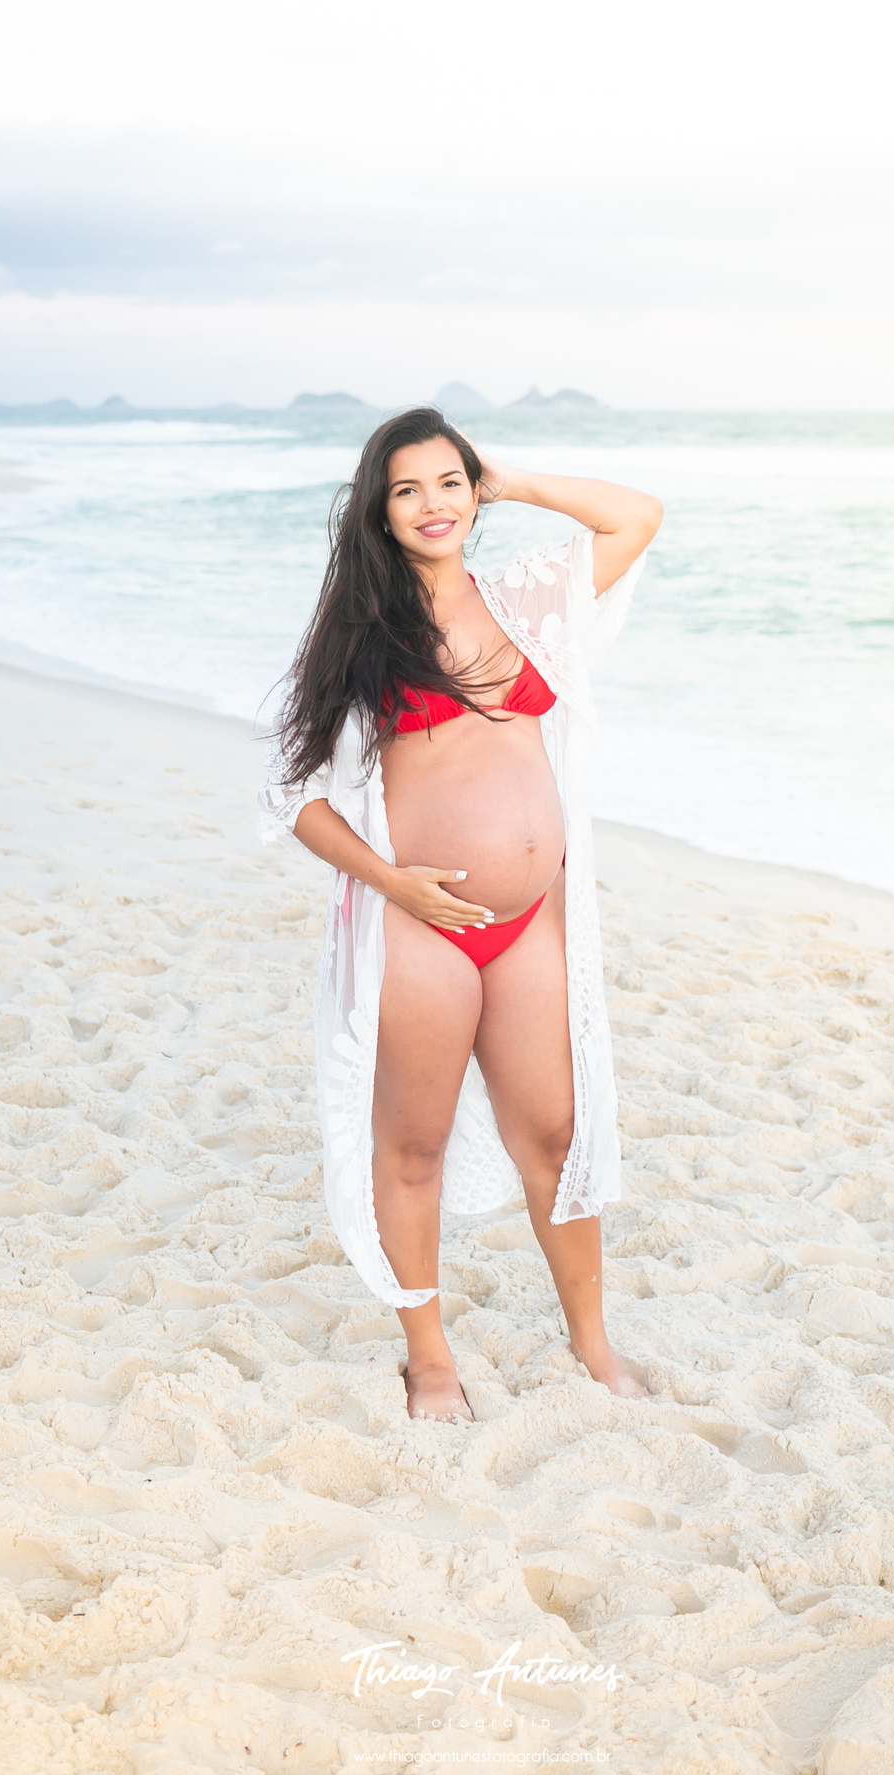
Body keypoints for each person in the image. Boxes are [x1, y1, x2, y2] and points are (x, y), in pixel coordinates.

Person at [259, 407, 663, 1422]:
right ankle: (430, 1360)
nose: (432, 505)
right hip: (420, 925)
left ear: (473, 491)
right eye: (407, 490)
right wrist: (391, 883)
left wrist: (510, 479)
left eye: (449, 483)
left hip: (531, 922)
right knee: (413, 1147)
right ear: (379, 511)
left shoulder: (526, 600)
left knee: (556, 1135)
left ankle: (592, 1343)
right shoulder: (360, 635)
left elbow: (636, 516)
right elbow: (293, 797)